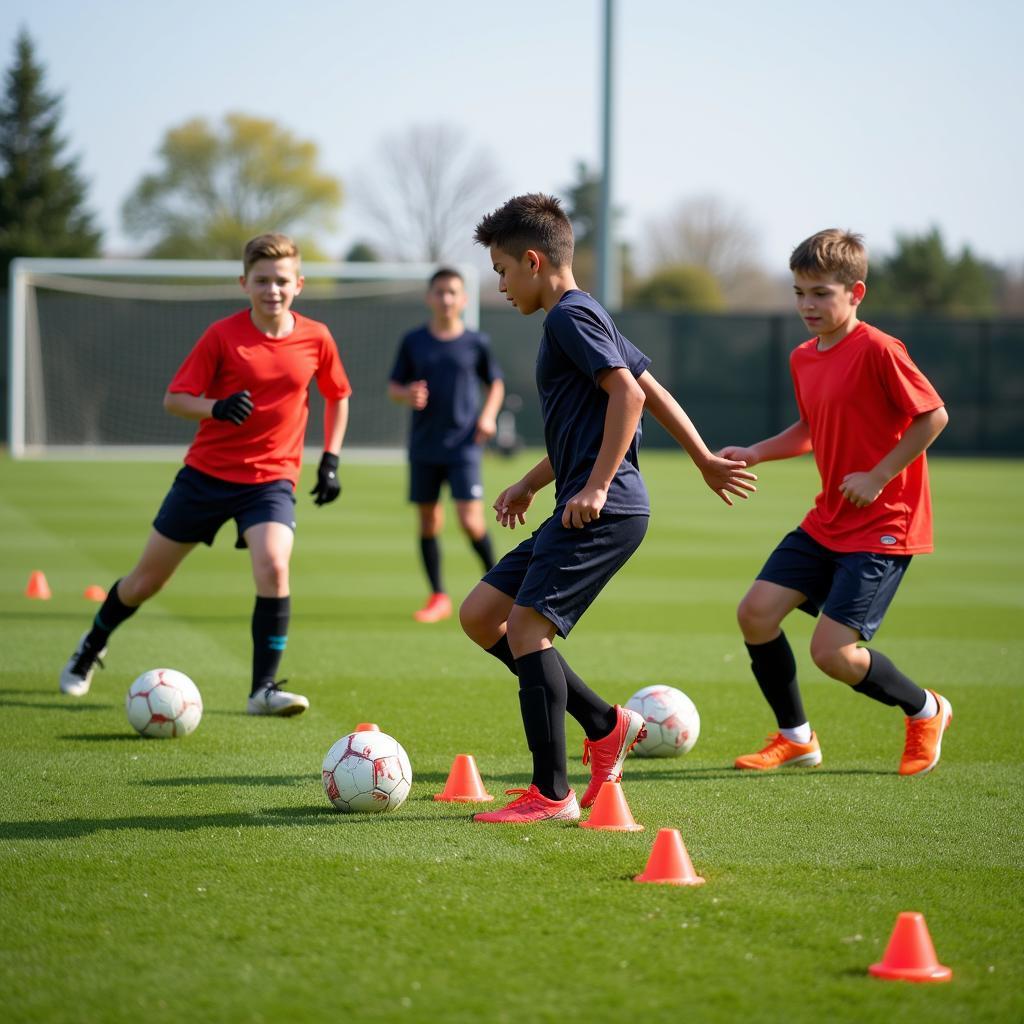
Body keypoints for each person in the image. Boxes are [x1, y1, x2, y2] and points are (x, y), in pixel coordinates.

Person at [462, 193, 757, 823]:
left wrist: (594, 487)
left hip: (605, 508)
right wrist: (535, 483)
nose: (501, 286)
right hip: (581, 501)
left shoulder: (570, 318)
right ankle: (605, 723)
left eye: (502, 272)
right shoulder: (585, 314)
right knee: (481, 614)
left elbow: (627, 395)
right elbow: (647, 389)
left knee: (526, 630)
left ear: (534, 261)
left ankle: (551, 795)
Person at [59, 233, 352, 716]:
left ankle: (263, 689)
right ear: (244, 283)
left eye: (281, 281)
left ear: (298, 283)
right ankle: (92, 645)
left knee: (275, 564)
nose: (272, 290)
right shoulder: (222, 335)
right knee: (144, 583)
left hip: (270, 480)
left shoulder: (316, 337)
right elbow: (175, 399)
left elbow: (337, 394)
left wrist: (331, 458)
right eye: (262, 280)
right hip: (205, 478)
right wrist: (216, 407)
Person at [720, 228, 951, 776]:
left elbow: (933, 416)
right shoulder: (804, 356)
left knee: (833, 654)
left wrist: (878, 474)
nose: (807, 305)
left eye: (821, 293)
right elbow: (807, 429)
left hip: (885, 523)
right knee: (755, 615)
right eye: (800, 292)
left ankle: (926, 709)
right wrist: (755, 452)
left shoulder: (879, 349)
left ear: (856, 293)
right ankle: (796, 738)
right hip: (829, 519)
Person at [388, 268, 505, 623]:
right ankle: (438, 595)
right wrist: (407, 394)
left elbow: (496, 384)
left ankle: (503, 588)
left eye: (453, 292)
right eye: (439, 292)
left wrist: (488, 416)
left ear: (464, 299)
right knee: (428, 521)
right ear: (429, 297)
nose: (446, 299)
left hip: (464, 446)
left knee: (471, 521)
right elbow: (394, 387)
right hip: (424, 445)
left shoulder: (476, 342)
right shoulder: (413, 341)